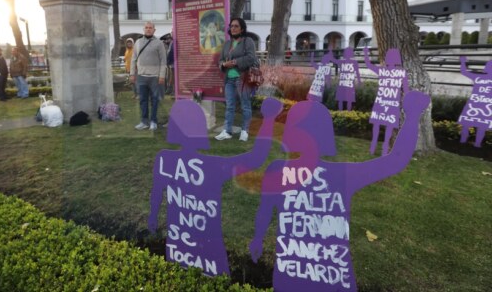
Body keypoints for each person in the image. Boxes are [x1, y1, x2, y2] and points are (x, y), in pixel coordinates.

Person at [249, 92, 429, 292]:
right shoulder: (340, 174)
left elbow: (264, 210)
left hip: (295, 272)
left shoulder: (278, 169)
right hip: (327, 276)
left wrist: (258, 239)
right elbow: (395, 160)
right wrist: (412, 117)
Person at [148, 97, 282, 276]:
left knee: (180, 274)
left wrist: (153, 217)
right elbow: (256, 157)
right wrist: (268, 120)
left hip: (179, 244)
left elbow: (157, 194)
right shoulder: (211, 166)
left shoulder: (164, 159)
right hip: (206, 250)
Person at [216, 17, 258, 142]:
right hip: (229, 79)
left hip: (243, 78)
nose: (233, 28)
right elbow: (221, 60)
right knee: (229, 106)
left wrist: (235, 62)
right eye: (231, 26)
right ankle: (227, 131)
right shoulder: (227, 44)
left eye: (236, 26)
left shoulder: (247, 41)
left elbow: (251, 58)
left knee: (245, 105)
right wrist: (224, 65)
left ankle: (245, 131)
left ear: (242, 28)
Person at [364, 47, 409, 155]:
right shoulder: (402, 72)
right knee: (388, 125)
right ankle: (384, 147)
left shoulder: (382, 70)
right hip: (393, 103)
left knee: (377, 123)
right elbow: (406, 90)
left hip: (381, 101)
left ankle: (373, 145)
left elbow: (368, 65)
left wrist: (366, 54)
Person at [130, 21, 167, 130]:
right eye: (146, 27)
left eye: (150, 27)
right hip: (141, 76)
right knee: (143, 100)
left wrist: (162, 76)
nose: (148, 29)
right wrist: (132, 74)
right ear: (143, 29)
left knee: (155, 100)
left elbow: (163, 61)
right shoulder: (138, 42)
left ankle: (153, 121)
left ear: (154, 30)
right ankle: (144, 121)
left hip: (155, 77)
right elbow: (133, 59)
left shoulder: (159, 43)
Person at [457, 56, 492, 147]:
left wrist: (463, 62)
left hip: (479, 104)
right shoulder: (479, 76)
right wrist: (463, 62)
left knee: (471, 124)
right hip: (481, 104)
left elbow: (464, 71)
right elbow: (464, 72)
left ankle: (468, 142)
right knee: (479, 126)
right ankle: (473, 143)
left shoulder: (479, 77)